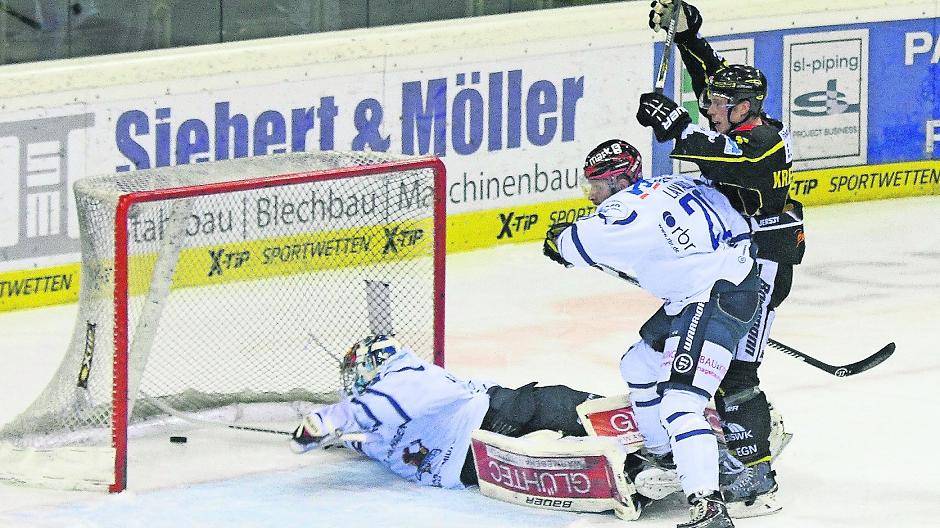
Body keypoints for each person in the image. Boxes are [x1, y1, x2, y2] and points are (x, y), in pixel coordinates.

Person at [639, 0, 807, 515]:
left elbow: (717, 154)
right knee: (705, 358)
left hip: (765, 267)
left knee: (736, 373)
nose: (708, 108)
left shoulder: (764, 140)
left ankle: (755, 478)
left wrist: (676, 125)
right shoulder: (737, 120)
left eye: (717, 104)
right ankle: (732, 439)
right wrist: (688, 34)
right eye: (709, 102)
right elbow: (708, 77)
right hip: (733, 265)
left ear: (744, 108)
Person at [543, 139, 763, 528]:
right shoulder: (672, 183)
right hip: (720, 286)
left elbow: (575, 245)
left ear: (618, 181)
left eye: (596, 185)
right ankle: (665, 455)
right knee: (638, 365)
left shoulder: (624, 207)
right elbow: (737, 225)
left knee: (681, 403)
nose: (591, 195)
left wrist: (557, 240)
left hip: (708, 297)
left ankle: (709, 507)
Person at [290, 334, 603, 489]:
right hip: (479, 433)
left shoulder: (400, 377)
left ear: (372, 364)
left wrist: (322, 423)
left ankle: (613, 421)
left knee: (543, 406)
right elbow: (362, 423)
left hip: (467, 459)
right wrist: (333, 433)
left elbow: (361, 412)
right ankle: (608, 429)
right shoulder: (401, 386)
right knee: (543, 404)